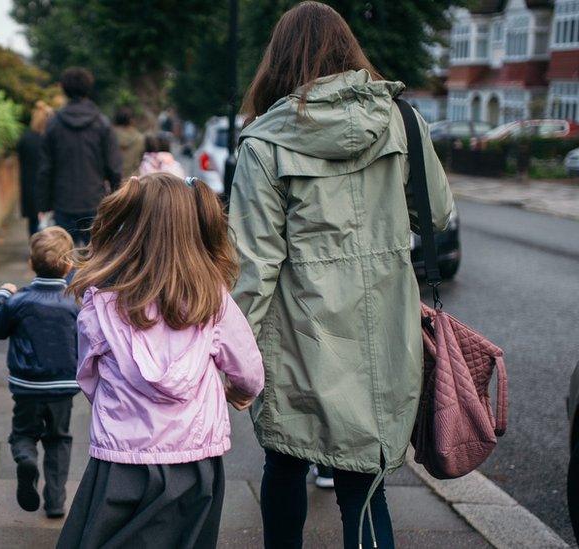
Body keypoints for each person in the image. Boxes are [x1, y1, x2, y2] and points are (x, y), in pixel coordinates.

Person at [228, 3, 455, 549]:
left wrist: (229, 356)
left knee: (284, 466)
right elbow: (436, 215)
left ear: (278, 60)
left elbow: (254, 265)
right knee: (365, 483)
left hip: (298, 341)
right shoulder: (401, 120)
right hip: (384, 336)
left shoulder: (265, 142)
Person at [58, 173, 265, 548]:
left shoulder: (101, 301)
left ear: (130, 225)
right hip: (195, 459)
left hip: (119, 458)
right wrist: (239, 391)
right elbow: (249, 371)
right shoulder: (212, 300)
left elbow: (87, 377)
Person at [0, 226, 81, 519]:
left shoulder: (19, 301)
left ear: (30, 263)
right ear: (69, 266)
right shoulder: (74, 303)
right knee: (58, 439)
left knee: (23, 434)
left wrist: (1, 294)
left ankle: (26, 458)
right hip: (63, 386)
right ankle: (55, 502)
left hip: (27, 385)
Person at [37, 67, 122, 247]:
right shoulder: (101, 123)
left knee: (63, 258)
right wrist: (116, 200)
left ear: (64, 89)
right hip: (95, 201)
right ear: (88, 88)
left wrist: (44, 205)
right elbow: (114, 167)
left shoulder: (53, 125)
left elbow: (45, 168)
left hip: (63, 202)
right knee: (98, 259)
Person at [17, 101, 54, 235]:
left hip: (29, 187)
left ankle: (35, 252)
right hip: (48, 188)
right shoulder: (51, 139)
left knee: (33, 225)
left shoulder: (25, 138)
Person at [112, 106, 145, 180]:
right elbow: (140, 160)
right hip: (133, 180)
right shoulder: (139, 138)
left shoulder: (109, 137)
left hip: (114, 180)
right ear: (131, 120)